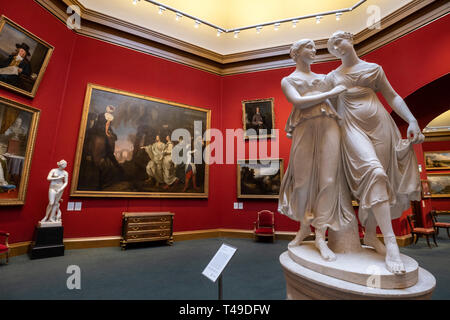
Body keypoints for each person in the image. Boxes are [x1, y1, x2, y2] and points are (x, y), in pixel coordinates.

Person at [326, 31, 424, 274]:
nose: (336, 46)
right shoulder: (332, 76)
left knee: (382, 179)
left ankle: (371, 235)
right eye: (331, 47)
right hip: (351, 127)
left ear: (350, 39)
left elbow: (392, 96)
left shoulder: (374, 69)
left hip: (381, 125)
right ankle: (391, 242)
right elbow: (327, 109)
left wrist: (411, 120)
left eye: (339, 41)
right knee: (374, 172)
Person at [278, 39, 355, 261]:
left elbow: (345, 97)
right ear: (297, 53)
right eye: (309, 47)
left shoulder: (324, 78)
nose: (314, 51)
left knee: (328, 180)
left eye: (314, 47)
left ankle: (321, 234)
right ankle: (304, 227)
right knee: (302, 182)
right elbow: (299, 102)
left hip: (329, 124)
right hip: (304, 126)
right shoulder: (288, 80)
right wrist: (330, 93)